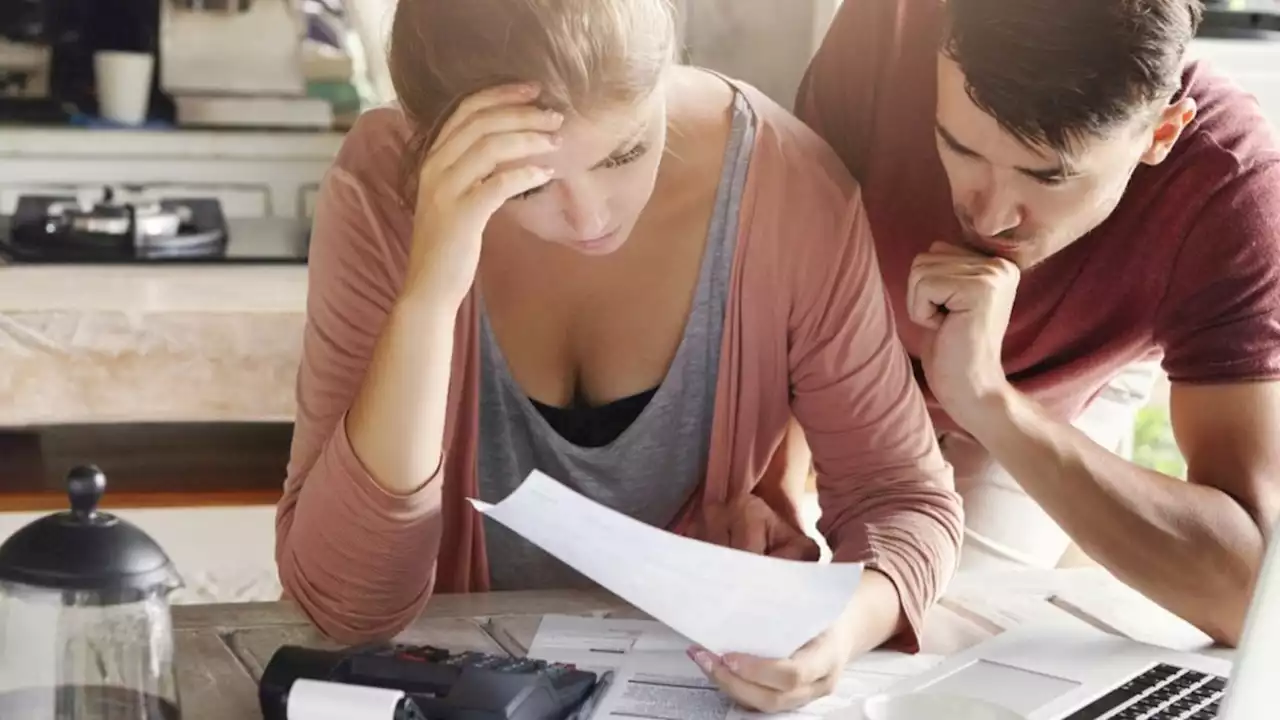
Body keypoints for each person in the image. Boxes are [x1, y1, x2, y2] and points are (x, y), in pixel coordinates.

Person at [275, 0, 962, 711]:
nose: (592, 216)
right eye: (529, 183)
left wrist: (838, 631)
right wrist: (427, 298)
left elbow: (903, 500)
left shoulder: (787, 185)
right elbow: (347, 605)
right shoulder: (385, 186)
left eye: (625, 152)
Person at [797, 0, 1280, 646]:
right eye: (959, 146)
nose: (989, 219)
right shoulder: (893, 24)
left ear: (1162, 134)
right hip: (849, 351)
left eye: (1047, 175)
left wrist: (989, 400)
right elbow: (786, 285)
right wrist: (771, 493)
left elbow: (1248, 593)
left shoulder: (1232, 184)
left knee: (927, 626)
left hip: (1058, 387)